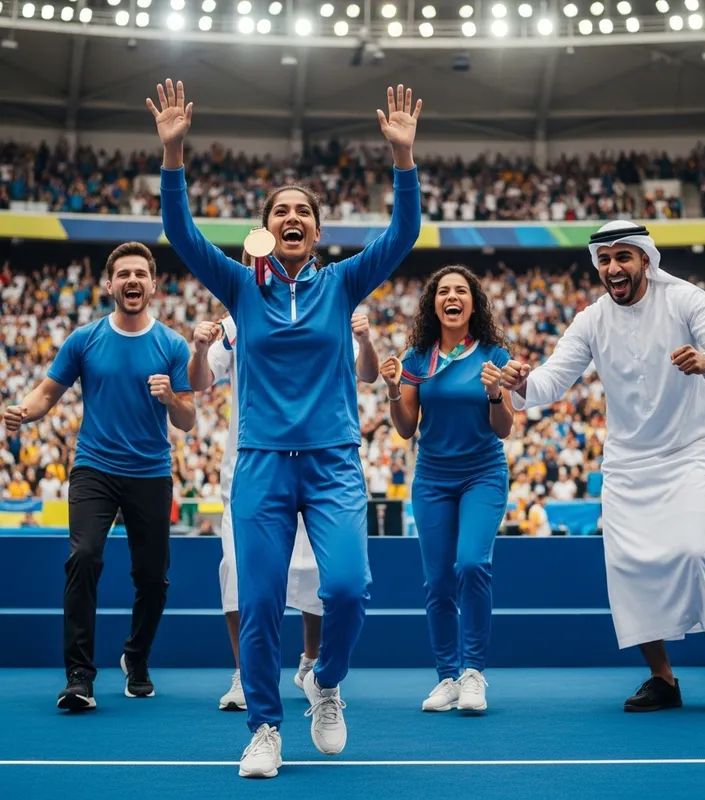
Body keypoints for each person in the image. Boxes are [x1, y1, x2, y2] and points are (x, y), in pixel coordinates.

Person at [148, 78, 421, 778]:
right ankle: (265, 728)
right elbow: (180, 234)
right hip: (262, 464)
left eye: (304, 211)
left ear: (318, 231)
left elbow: (403, 235)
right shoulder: (241, 285)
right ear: (267, 228)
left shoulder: (342, 285)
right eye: (282, 211)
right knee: (261, 597)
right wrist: (173, 155)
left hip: (332, 462)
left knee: (350, 589)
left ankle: (325, 684)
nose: (294, 216)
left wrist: (403, 160)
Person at [501, 220, 705, 712]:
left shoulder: (684, 298)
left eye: (623, 257)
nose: (613, 268)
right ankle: (662, 678)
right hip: (628, 462)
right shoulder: (592, 319)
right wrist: (519, 381)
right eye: (605, 260)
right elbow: (553, 380)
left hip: (690, 450)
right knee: (626, 566)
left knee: (697, 548)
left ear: (644, 260)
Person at [2, 242, 196, 711]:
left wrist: (172, 397)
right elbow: (49, 391)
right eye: (123, 274)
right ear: (109, 285)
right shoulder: (84, 339)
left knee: (153, 578)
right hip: (94, 468)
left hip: (151, 472)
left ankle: (137, 656)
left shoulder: (172, 344)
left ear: (153, 285)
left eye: (141, 274)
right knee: (83, 557)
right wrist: (23, 412)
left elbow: (188, 419)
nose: (132, 281)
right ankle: (79, 676)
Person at [188, 299, 380, 711]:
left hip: (319, 465)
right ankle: (247, 676)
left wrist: (364, 340)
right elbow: (203, 380)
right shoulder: (236, 321)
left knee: (320, 575)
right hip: (250, 467)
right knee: (239, 572)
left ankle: (312, 662)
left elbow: (365, 373)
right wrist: (200, 349)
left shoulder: (326, 309)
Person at [379, 265, 513, 714]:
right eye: (443, 291)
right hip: (432, 479)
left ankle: (474, 673)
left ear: (473, 303)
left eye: (461, 291)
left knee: (472, 565)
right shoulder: (417, 358)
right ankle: (447, 677)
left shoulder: (494, 353)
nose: (451, 297)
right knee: (437, 582)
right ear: (433, 304)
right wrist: (395, 390)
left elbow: (504, 428)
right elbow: (404, 429)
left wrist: (495, 395)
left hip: (483, 474)